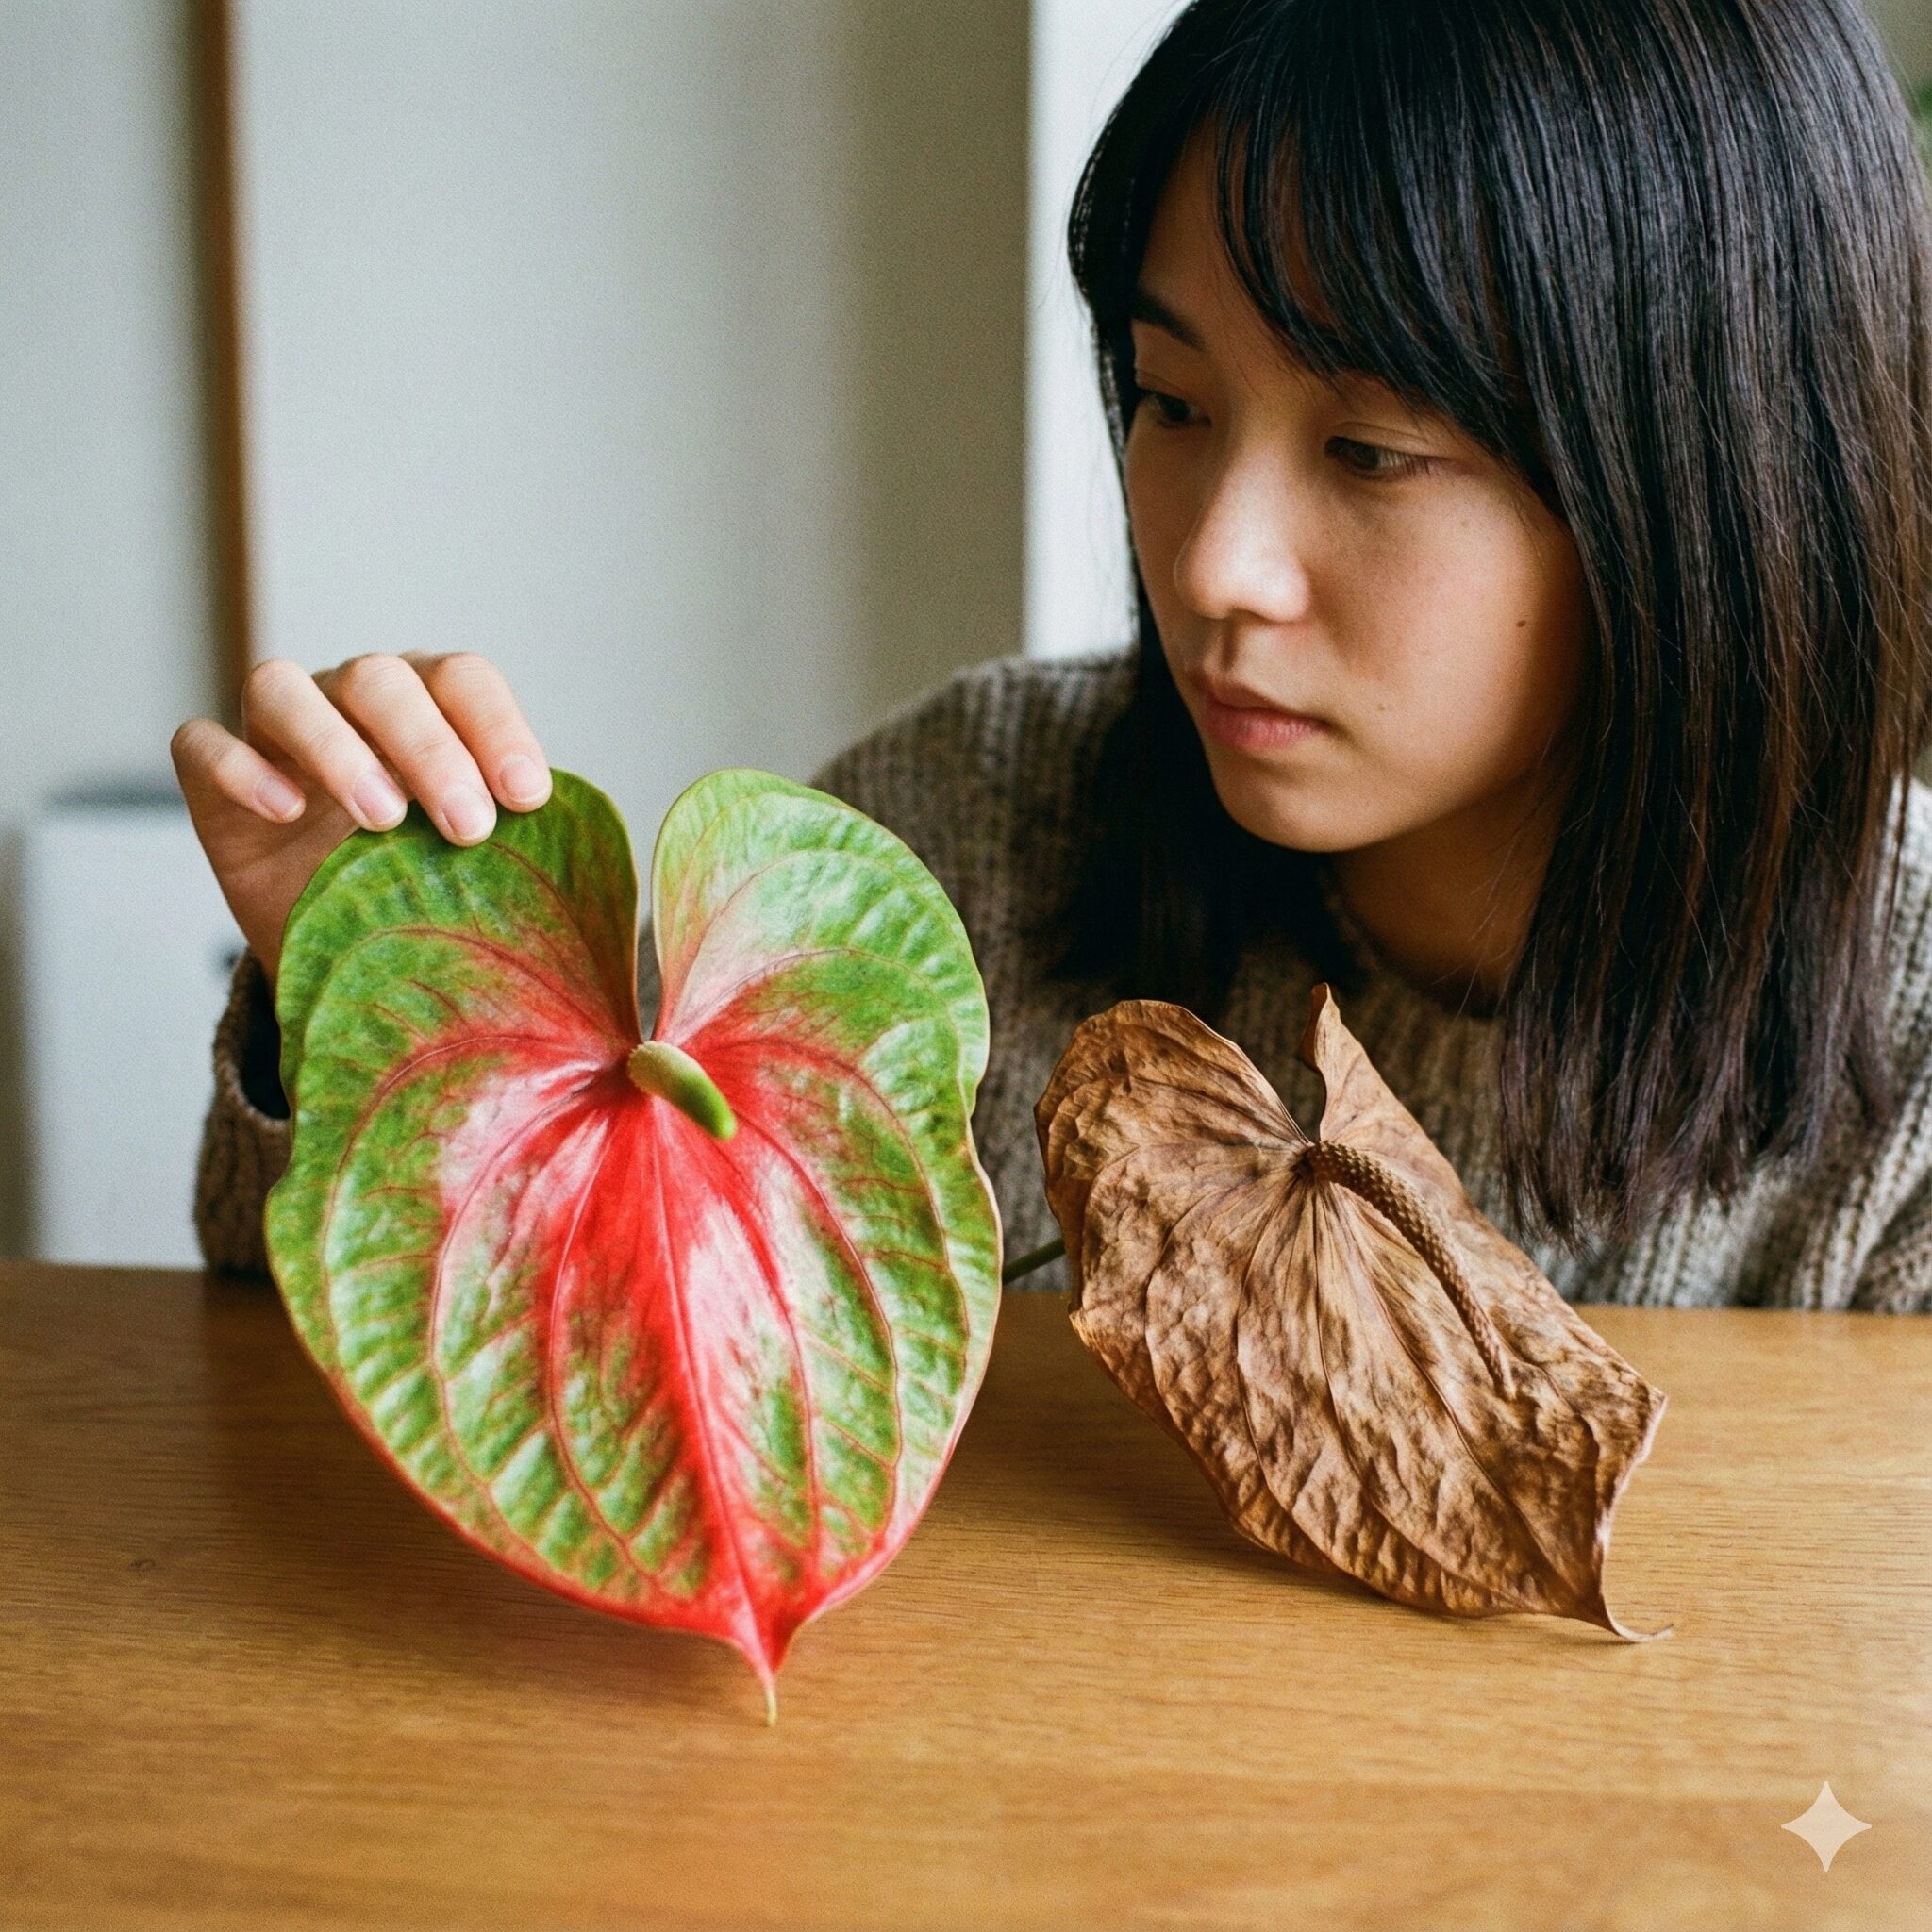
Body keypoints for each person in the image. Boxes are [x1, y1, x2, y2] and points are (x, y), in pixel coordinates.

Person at [177, 0, 1932, 1310]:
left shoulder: (1909, 1050)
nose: (1213, 564)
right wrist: (390, 1010)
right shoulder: (965, 833)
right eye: (1171, 400)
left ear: (1716, 480)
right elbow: (511, 1332)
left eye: (1370, 450)